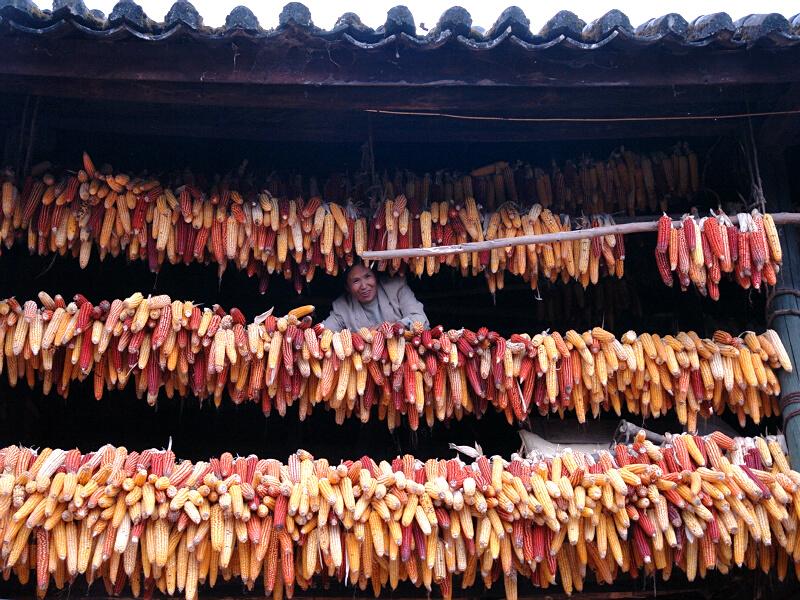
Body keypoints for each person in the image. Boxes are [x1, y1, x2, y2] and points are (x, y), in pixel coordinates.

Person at [321, 263, 429, 331]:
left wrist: (397, 326)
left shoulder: (396, 288)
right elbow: (324, 331)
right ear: (347, 287)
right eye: (356, 281)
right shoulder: (342, 306)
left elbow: (419, 318)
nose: (364, 286)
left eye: (367, 276)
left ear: (376, 277)